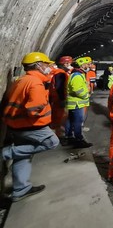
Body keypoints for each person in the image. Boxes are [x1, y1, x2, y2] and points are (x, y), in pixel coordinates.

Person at [2, 52, 60, 202]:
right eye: (46, 64)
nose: (49, 67)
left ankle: (20, 190)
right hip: (30, 126)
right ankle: (7, 152)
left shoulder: (22, 80)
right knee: (52, 142)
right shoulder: (35, 83)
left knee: (23, 157)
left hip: (15, 125)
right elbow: (33, 110)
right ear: (39, 65)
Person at [65, 56, 93, 148]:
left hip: (75, 103)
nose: (89, 66)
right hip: (77, 103)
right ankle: (79, 140)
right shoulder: (77, 75)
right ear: (82, 65)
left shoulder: (77, 74)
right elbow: (77, 90)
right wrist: (86, 95)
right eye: (88, 64)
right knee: (77, 122)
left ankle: (69, 137)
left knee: (71, 120)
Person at [48, 56, 72, 139]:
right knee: (59, 117)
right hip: (58, 99)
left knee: (57, 116)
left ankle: (56, 133)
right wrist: (62, 99)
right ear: (65, 64)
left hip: (55, 98)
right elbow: (60, 87)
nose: (70, 65)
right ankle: (58, 135)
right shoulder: (61, 73)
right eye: (69, 63)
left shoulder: (58, 72)